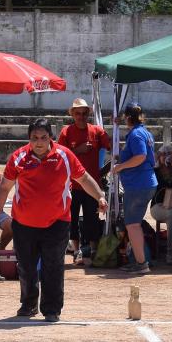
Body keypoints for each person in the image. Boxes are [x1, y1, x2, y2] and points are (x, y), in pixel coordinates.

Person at [0, 118, 107, 322]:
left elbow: (84, 179)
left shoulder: (65, 155)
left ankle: (52, 309)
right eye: (35, 138)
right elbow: (4, 188)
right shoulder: (18, 158)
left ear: (51, 137)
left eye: (43, 137)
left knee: (53, 266)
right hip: (24, 223)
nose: (39, 142)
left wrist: (100, 196)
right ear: (29, 139)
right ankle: (28, 304)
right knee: (26, 266)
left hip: (57, 222)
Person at [57, 98, 111, 265]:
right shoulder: (66, 132)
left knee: (92, 219)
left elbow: (113, 148)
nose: (81, 116)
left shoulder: (97, 131)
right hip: (72, 185)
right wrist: (77, 150)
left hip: (92, 185)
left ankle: (94, 251)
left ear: (88, 114)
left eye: (84, 113)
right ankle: (77, 250)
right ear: (72, 114)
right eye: (77, 113)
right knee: (71, 219)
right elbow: (59, 156)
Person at [113, 102, 157, 274]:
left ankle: (141, 263)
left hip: (138, 184)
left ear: (128, 117)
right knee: (134, 224)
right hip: (143, 183)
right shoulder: (143, 131)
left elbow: (140, 156)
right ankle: (139, 260)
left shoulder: (136, 134)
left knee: (132, 225)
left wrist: (121, 166)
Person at [150, 143, 172, 265]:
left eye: (170, 153)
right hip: (158, 206)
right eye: (164, 153)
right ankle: (170, 252)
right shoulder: (154, 171)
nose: (167, 156)